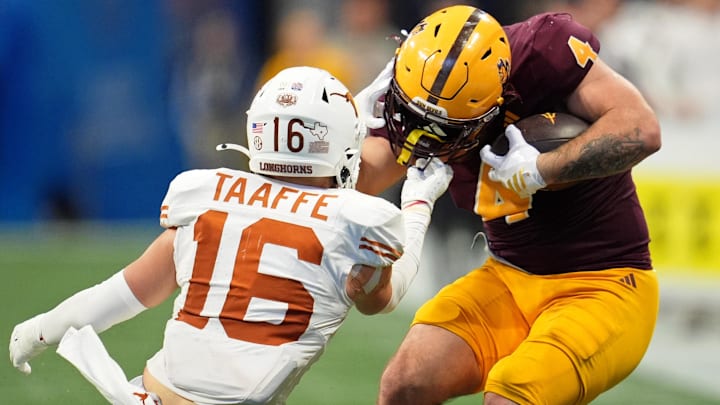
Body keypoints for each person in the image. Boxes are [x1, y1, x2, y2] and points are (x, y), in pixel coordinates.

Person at [9, 66, 453, 404]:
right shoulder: (353, 222)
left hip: (148, 392)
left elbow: (121, 294)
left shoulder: (208, 200)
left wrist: (40, 329)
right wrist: (418, 203)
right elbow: (386, 296)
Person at [354, 4, 662, 405]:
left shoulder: (542, 53)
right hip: (508, 276)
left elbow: (642, 128)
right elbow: (359, 179)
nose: (429, 136)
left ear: (493, 103)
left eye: (448, 129)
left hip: (604, 285)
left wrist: (543, 169)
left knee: (510, 395)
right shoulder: (422, 81)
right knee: (405, 383)